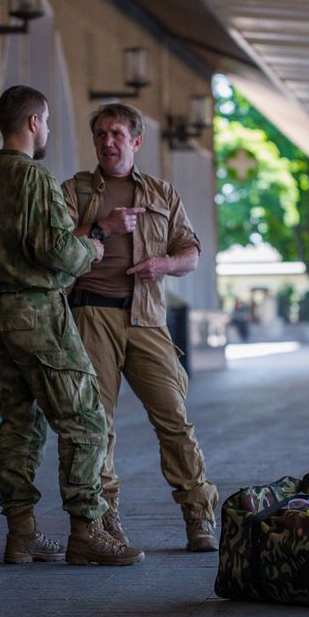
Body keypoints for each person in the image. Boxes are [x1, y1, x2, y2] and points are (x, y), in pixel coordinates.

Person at [0, 85, 144, 567]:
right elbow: (58, 250)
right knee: (85, 420)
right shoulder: (32, 179)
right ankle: (86, 530)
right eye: (48, 123)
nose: (48, 132)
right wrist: (91, 250)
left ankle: (22, 533)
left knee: (19, 422)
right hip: (38, 314)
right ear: (35, 122)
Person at [61, 102, 219, 552]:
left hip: (147, 317)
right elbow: (54, 249)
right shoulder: (74, 192)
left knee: (174, 418)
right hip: (92, 314)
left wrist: (164, 264)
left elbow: (190, 252)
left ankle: (199, 515)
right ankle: (104, 517)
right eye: (100, 135)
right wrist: (101, 228)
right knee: (97, 425)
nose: (108, 142)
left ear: (136, 141)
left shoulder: (161, 193)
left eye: (116, 134)